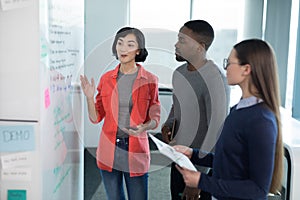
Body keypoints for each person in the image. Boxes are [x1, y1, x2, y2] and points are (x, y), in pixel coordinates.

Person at [174, 39, 284, 200]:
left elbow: (257, 190)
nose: (225, 68)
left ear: (246, 69)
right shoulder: (239, 109)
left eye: (229, 62)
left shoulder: (261, 120)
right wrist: (194, 154)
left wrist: (201, 181)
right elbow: (230, 161)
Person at [80, 27, 160, 200]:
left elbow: (155, 116)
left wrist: (145, 126)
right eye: (120, 43)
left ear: (138, 50)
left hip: (136, 150)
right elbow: (95, 118)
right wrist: (89, 97)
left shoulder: (150, 80)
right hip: (109, 149)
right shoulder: (106, 79)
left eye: (130, 44)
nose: (123, 48)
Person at [161, 20, 230, 200]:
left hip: (201, 168)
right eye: (178, 39)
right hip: (178, 158)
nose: (176, 45)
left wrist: (199, 178)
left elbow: (217, 131)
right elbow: (177, 106)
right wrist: (168, 124)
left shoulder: (214, 79)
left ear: (200, 47)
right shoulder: (179, 73)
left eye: (182, 41)